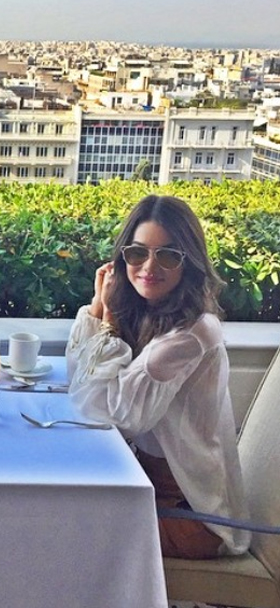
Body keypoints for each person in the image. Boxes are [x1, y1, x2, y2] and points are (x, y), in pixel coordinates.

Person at [66, 194, 250, 559]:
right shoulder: (149, 313)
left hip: (190, 511)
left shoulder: (190, 334)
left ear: (189, 263)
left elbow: (112, 415)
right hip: (143, 480)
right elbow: (80, 380)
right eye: (137, 253)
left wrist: (108, 324)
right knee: (56, 503)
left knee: (67, 526)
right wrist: (97, 308)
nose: (149, 266)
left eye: (168, 255)